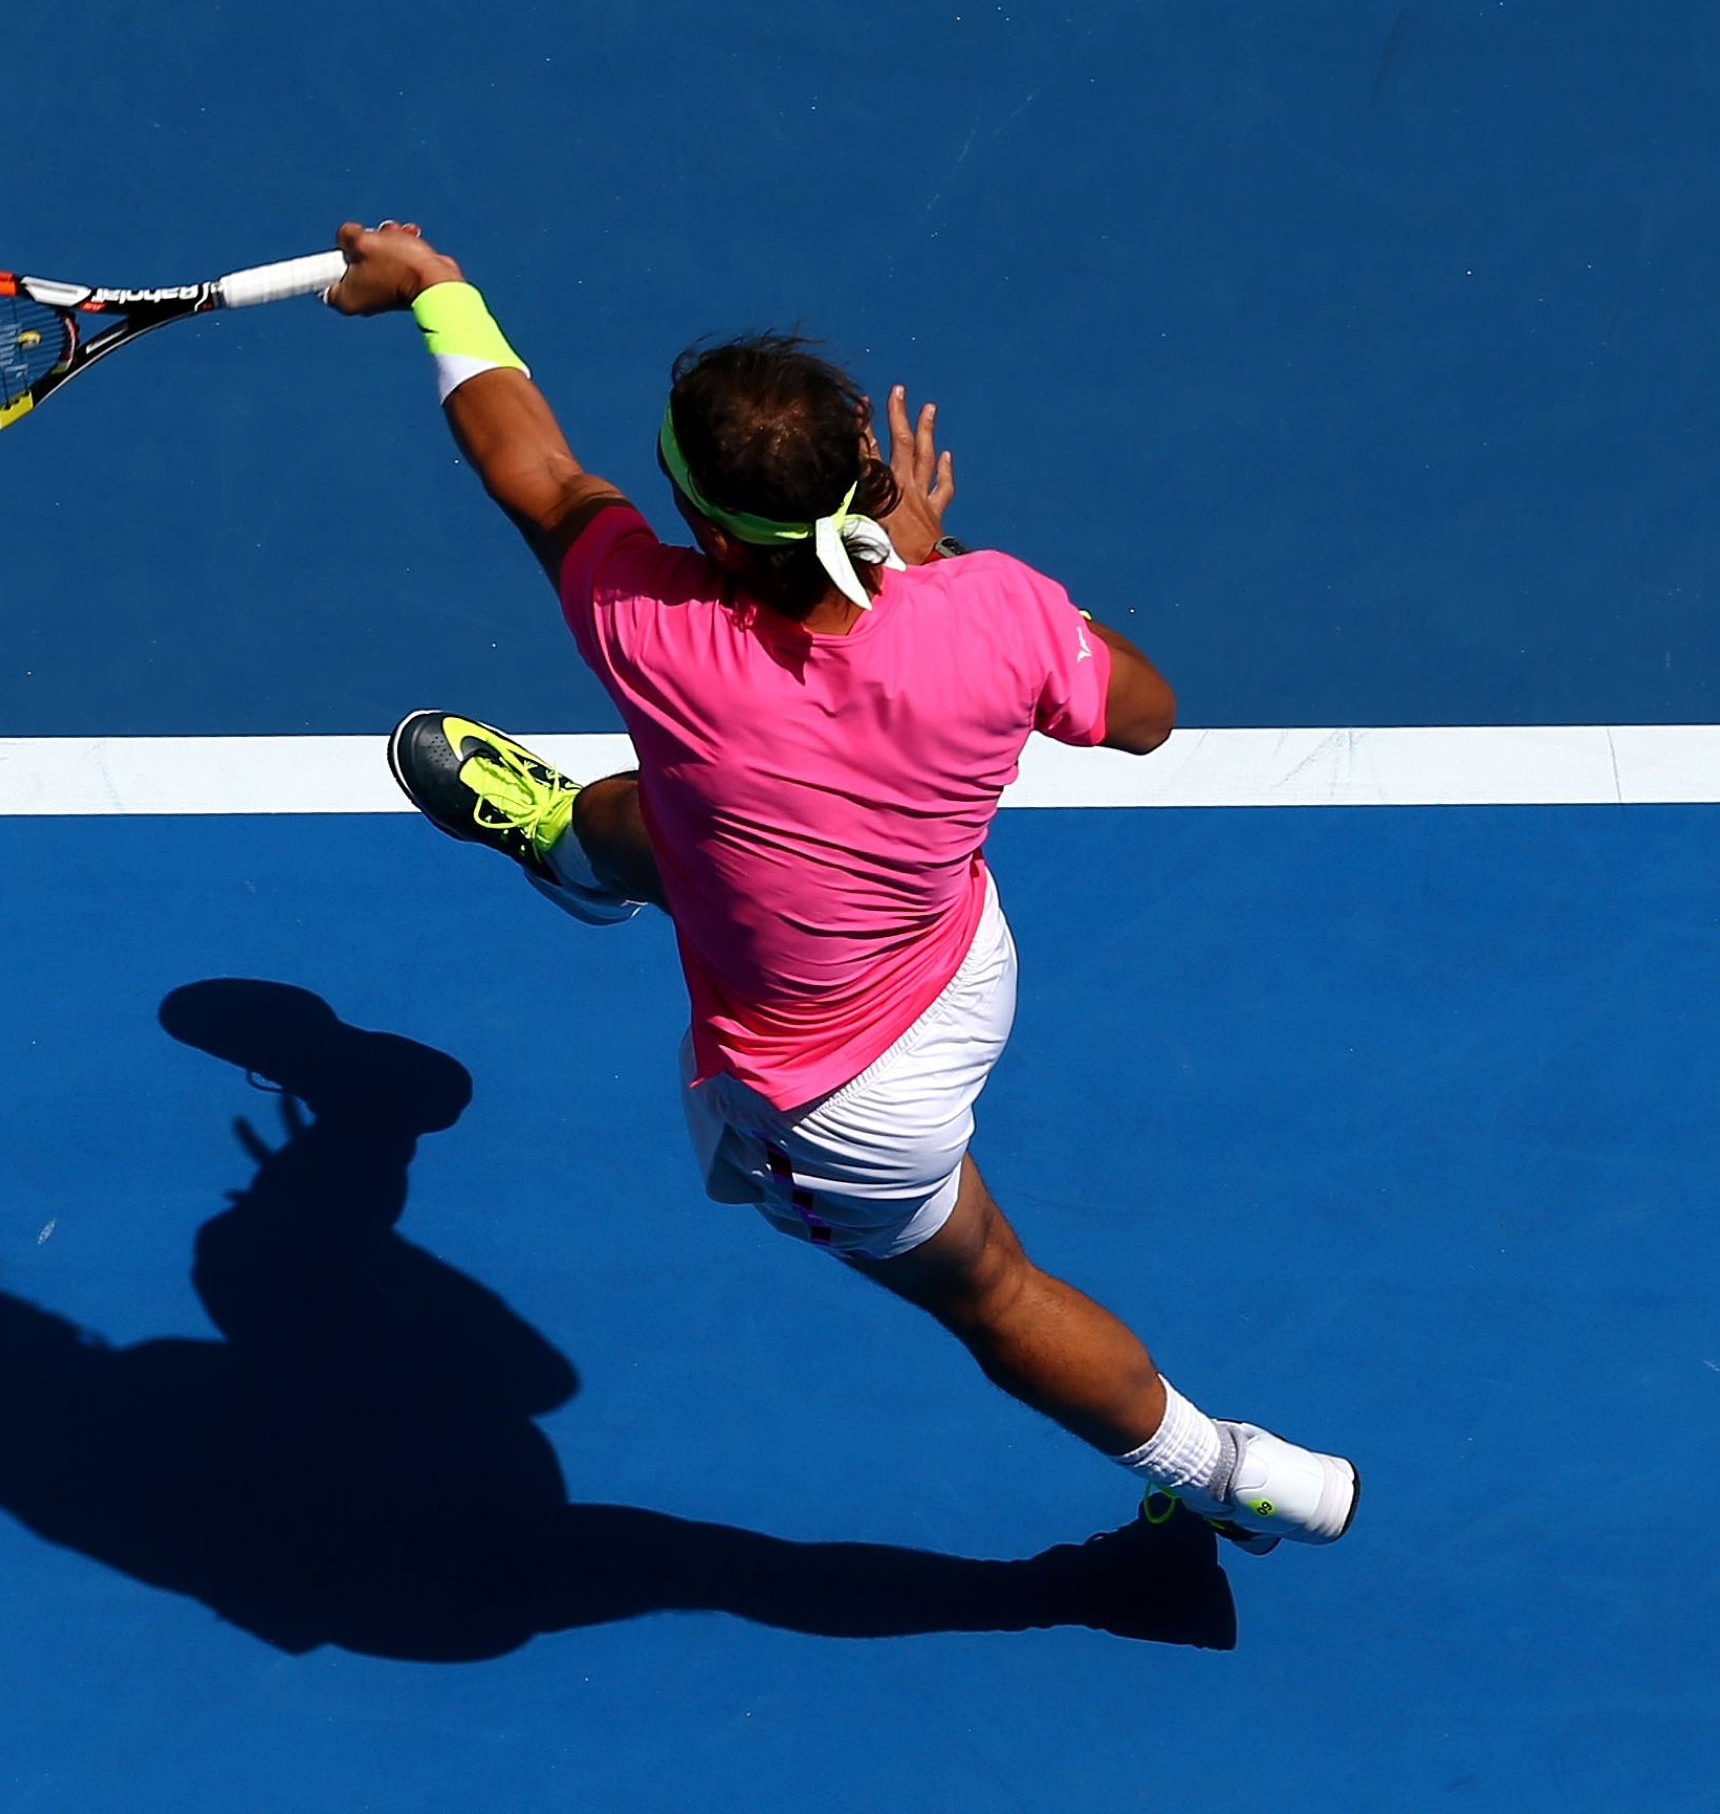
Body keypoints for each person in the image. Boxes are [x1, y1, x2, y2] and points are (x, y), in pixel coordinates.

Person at [326, 222, 1357, 1553]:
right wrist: (935, 569)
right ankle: (574, 850)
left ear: (701, 523)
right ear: (866, 464)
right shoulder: (993, 606)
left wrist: (437, 288)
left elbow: (532, 470)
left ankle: (1229, 1472)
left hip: (845, 1101)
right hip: (956, 951)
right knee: (705, 826)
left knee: (988, 1291)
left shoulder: (653, 628)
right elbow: (1147, 713)